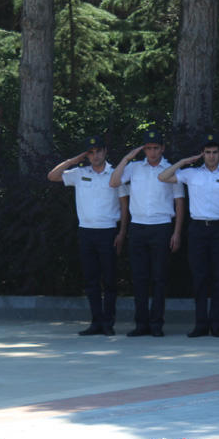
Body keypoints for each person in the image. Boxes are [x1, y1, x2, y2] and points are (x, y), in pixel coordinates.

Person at [158, 132, 219, 338]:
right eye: (207, 152)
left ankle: (216, 325)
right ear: (202, 154)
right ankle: (200, 324)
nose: (211, 156)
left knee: (218, 278)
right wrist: (182, 162)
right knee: (199, 278)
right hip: (198, 229)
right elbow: (162, 177)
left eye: (215, 152)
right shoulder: (191, 174)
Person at [48, 135, 127, 335]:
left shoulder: (116, 174)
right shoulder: (79, 173)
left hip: (108, 231)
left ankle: (108, 323)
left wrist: (122, 232)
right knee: (91, 280)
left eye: (98, 151)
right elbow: (53, 176)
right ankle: (96, 322)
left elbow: (125, 207)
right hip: (86, 232)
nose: (95, 155)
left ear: (105, 151)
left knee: (109, 280)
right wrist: (74, 160)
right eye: (90, 152)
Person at [110, 128, 185, 337]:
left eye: (156, 148)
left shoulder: (171, 169)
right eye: (149, 148)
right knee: (139, 277)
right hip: (138, 227)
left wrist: (177, 232)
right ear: (144, 149)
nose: (152, 152)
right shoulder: (134, 168)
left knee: (159, 278)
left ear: (162, 148)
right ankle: (141, 324)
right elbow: (114, 182)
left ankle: (156, 324)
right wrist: (126, 158)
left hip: (161, 226)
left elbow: (180, 203)